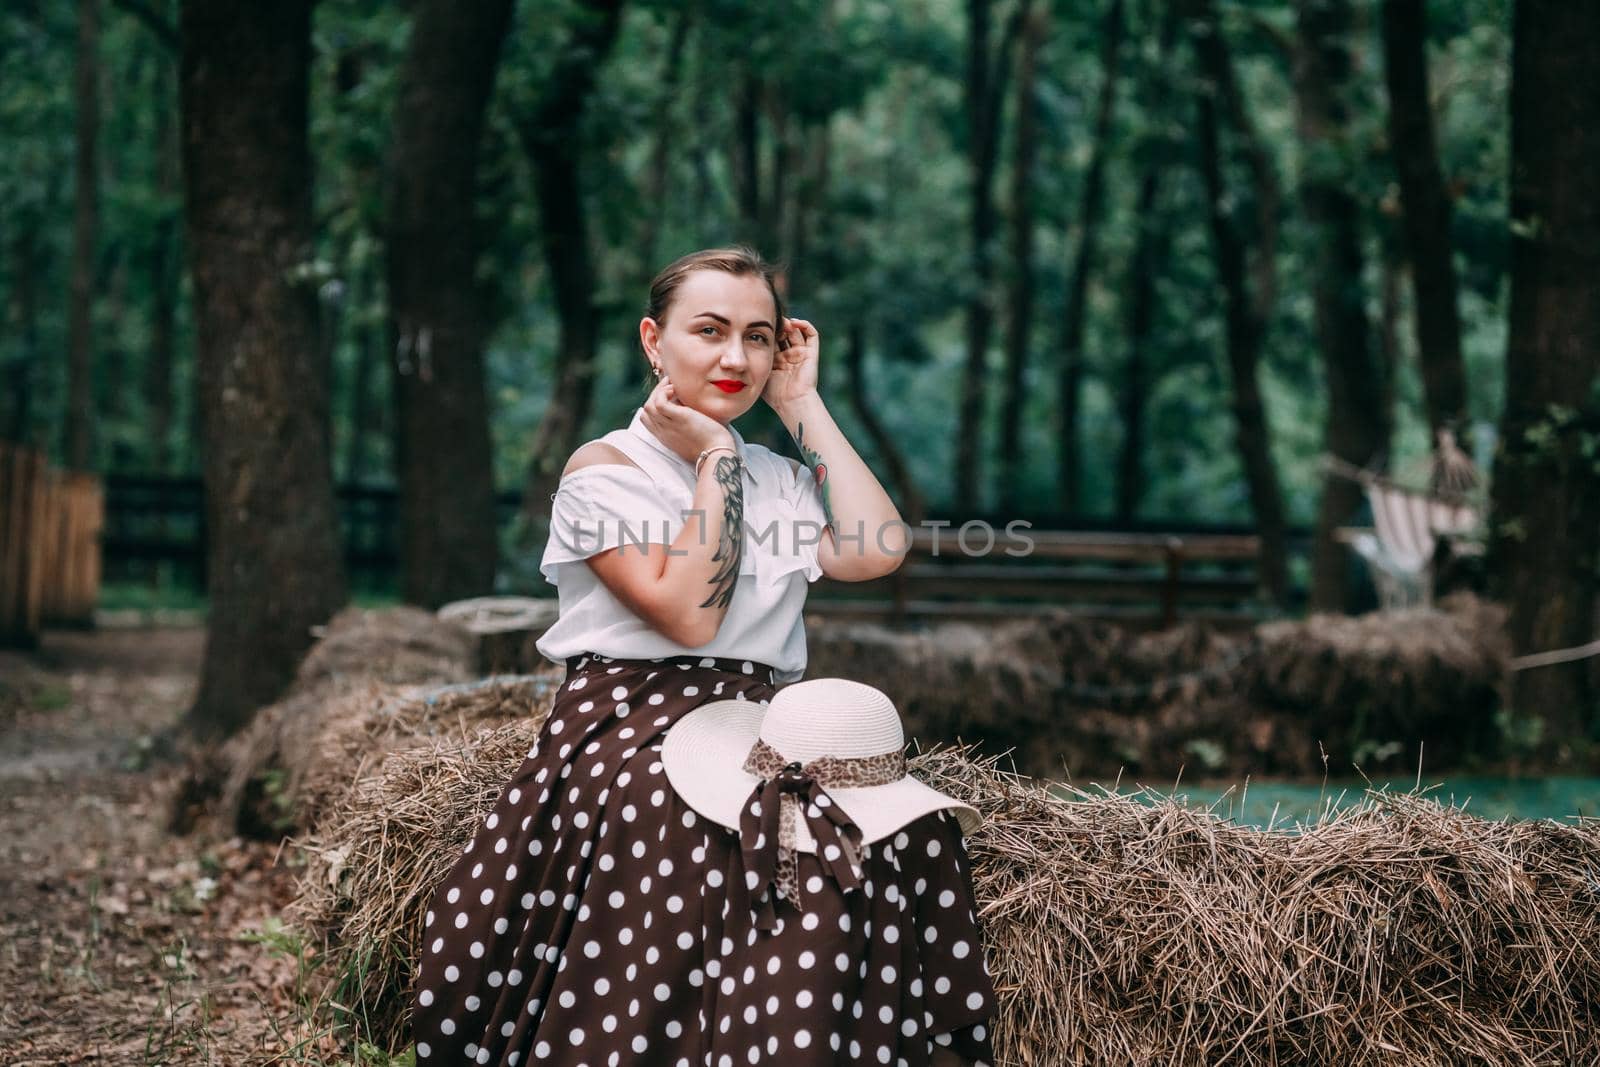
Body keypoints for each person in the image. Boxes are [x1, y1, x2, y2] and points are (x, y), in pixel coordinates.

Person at [410, 245, 997, 1065]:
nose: (736, 357)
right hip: (625, 722)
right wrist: (717, 459)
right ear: (655, 341)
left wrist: (803, 407)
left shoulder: (783, 480)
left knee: (883, 829)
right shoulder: (603, 471)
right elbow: (689, 617)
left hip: (758, 720)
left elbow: (878, 548)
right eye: (710, 330)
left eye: (759, 337)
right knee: (746, 826)